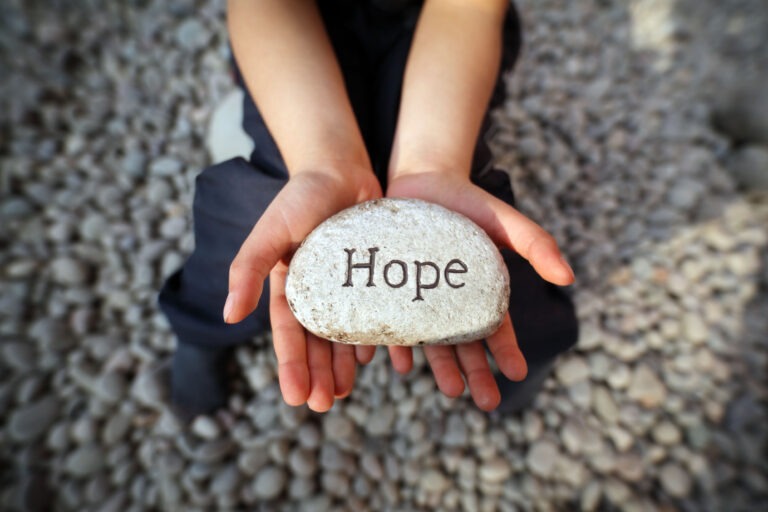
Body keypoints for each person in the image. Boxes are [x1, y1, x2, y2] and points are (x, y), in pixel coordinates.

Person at [159, 0, 579, 418]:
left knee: (471, 224)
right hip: (293, 43)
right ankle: (203, 325)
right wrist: (324, 162)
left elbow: (467, 9)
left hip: (446, 39)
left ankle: (536, 335)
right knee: (258, 211)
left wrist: (433, 163)